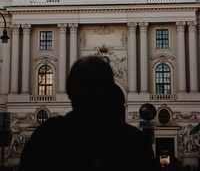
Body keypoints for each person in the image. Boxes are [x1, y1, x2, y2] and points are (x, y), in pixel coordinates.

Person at [18, 56, 158, 171]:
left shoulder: (46, 137)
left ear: (70, 91)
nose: (92, 93)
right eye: (87, 87)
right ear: (110, 91)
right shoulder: (134, 142)